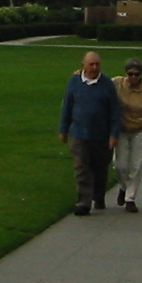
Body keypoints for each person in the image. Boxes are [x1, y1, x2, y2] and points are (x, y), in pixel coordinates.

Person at [58, 51, 120, 216]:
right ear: (83, 65)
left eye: (97, 64)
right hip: (79, 133)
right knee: (81, 167)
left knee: (100, 168)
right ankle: (84, 202)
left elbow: (115, 110)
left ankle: (98, 196)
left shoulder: (107, 84)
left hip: (101, 135)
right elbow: (68, 106)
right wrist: (63, 129)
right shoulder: (74, 82)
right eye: (91, 64)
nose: (94, 67)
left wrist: (114, 134)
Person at [113, 59, 142, 213]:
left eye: (136, 74)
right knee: (120, 165)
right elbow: (100, 82)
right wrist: (81, 74)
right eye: (130, 74)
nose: (133, 77)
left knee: (136, 166)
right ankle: (124, 187)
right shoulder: (118, 84)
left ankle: (130, 198)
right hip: (121, 129)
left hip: (139, 130)